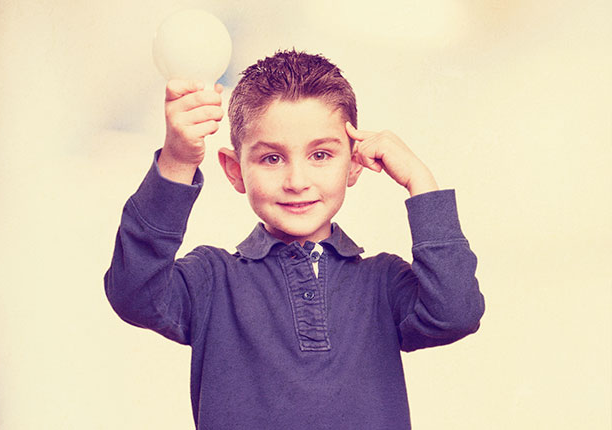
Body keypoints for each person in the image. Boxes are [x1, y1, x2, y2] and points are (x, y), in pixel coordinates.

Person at [104, 49, 485, 429]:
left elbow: (455, 313)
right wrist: (177, 159)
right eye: (272, 159)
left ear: (354, 163)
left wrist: (420, 182)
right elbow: (134, 293)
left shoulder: (383, 283)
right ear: (235, 171)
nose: (297, 181)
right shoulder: (211, 280)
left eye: (320, 155)